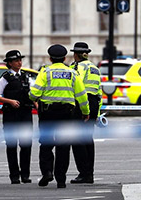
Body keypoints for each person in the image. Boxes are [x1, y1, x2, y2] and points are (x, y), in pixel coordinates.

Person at [29, 44, 89, 189]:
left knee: (46, 144)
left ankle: (47, 172)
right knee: (63, 146)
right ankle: (61, 179)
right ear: (64, 58)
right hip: (66, 114)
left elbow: (34, 94)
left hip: (47, 113)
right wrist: (85, 111)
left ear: (50, 58)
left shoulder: (45, 72)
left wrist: (36, 97)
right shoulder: (72, 73)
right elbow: (81, 95)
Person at [0, 49, 35, 184]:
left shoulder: (26, 76)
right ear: (10, 63)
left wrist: (36, 104)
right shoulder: (5, 77)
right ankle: (14, 175)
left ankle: (25, 175)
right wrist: (10, 101)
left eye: (20, 60)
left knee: (26, 145)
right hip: (11, 114)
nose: (19, 63)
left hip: (25, 113)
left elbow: (32, 93)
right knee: (12, 145)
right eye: (16, 61)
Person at [69, 42, 102, 184]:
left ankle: (83, 173)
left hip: (81, 102)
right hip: (94, 103)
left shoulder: (77, 67)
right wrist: (98, 113)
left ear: (75, 54)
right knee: (88, 139)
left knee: (77, 140)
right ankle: (90, 173)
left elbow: (77, 86)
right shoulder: (95, 68)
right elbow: (99, 92)